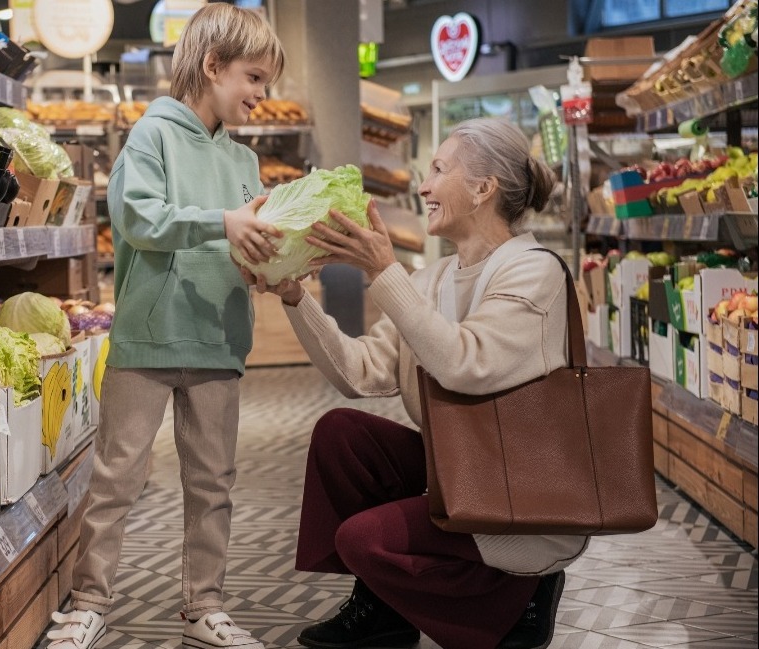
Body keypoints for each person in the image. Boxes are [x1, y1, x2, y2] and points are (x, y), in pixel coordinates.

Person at [242, 118, 585, 649]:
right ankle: (383, 612)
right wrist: (294, 296)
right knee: (342, 434)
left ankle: (521, 594)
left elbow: (465, 365)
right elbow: (361, 373)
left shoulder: (533, 272)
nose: (423, 186)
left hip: (520, 497)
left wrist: (384, 273)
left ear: (482, 189)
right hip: (465, 473)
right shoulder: (435, 278)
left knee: (361, 540)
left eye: (438, 170)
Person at [43, 5, 285, 649]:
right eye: (254, 78)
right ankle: (89, 602)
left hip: (220, 337)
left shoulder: (242, 162)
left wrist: (280, 263)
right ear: (212, 65)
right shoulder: (151, 136)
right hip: (147, 340)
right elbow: (138, 221)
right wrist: (222, 222)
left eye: (267, 84)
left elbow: (246, 249)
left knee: (214, 484)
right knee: (116, 478)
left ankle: (204, 607)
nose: (261, 96)